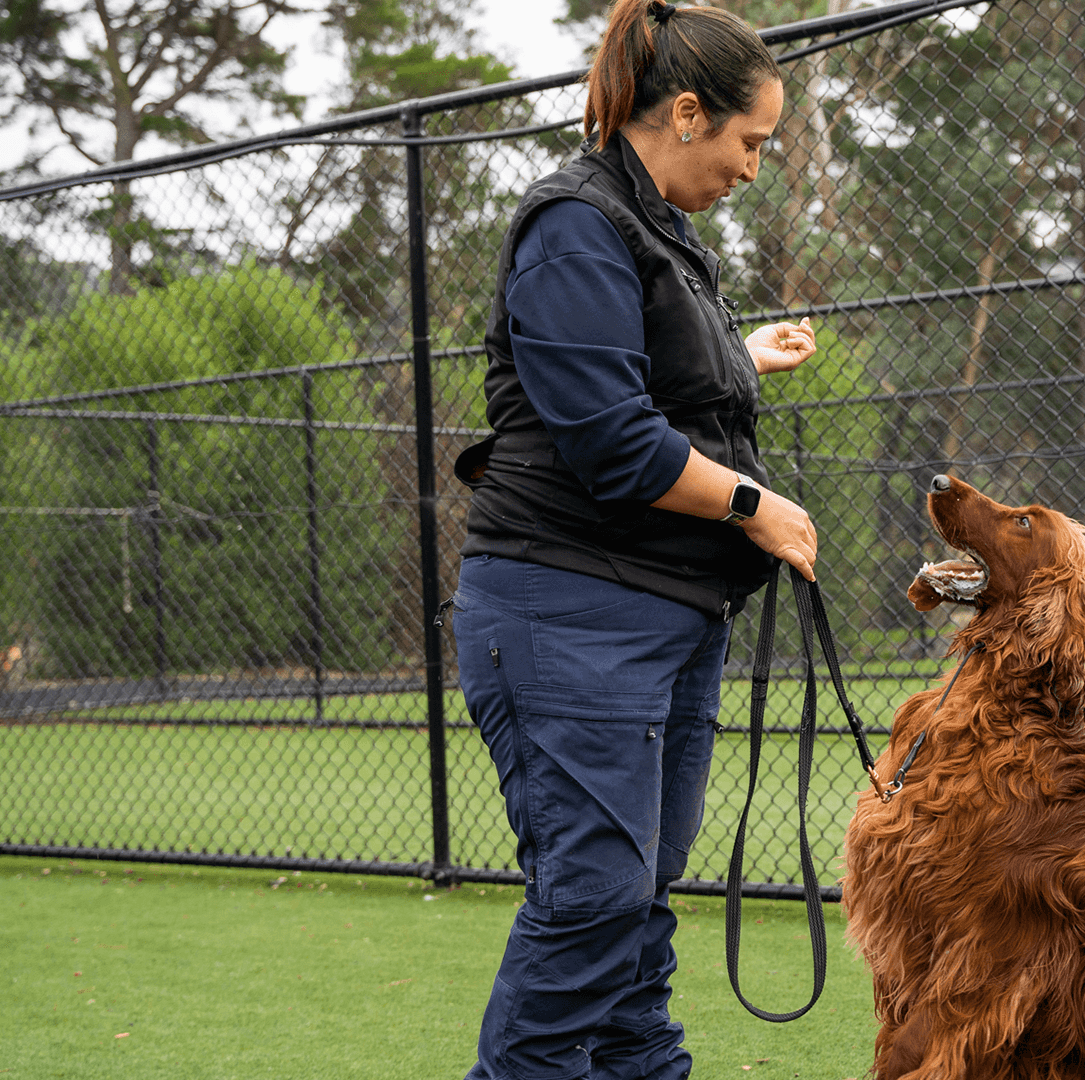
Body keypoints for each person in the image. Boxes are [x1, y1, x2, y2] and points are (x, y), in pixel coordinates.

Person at [445, 1, 818, 1077]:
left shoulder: (663, 233)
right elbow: (610, 439)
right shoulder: (574, 222)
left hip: (669, 615)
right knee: (594, 898)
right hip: (568, 610)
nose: (755, 168)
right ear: (690, 114)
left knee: (637, 899)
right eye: (752, 142)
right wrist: (758, 508)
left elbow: (644, 374)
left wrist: (741, 354)